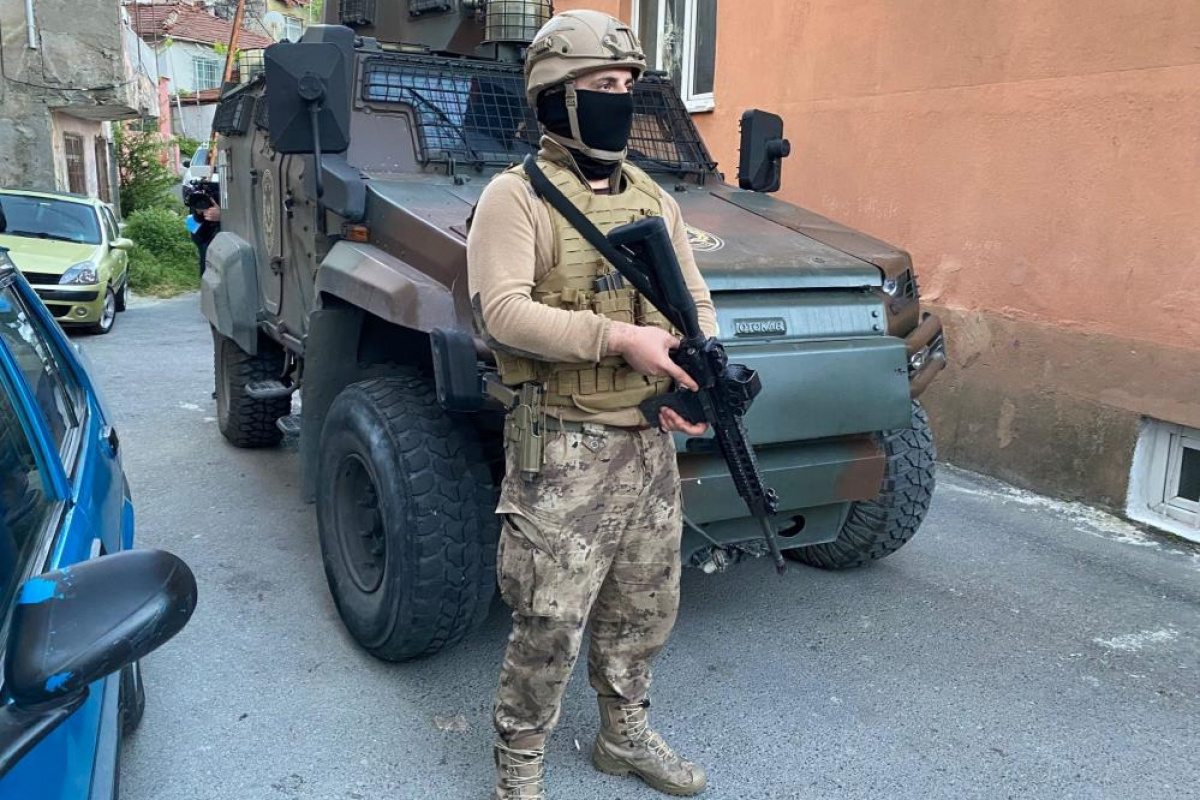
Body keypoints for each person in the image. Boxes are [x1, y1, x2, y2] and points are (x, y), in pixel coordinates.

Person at [467, 10, 717, 799]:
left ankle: (623, 735)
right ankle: (520, 762)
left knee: (645, 606)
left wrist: (697, 372)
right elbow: (503, 314)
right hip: (564, 444)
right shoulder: (516, 199)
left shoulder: (651, 195)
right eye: (601, 84)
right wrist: (617, 338)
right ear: (556, 98)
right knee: (549, 618)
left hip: (646, 443)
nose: (620, 99)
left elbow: (695, 302)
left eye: (627, 84)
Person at [184, 185, 220, 276]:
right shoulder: (198, 194)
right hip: (204, 238)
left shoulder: (221, 191)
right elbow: (195, 235)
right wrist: (198, 213)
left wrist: (222, 215)